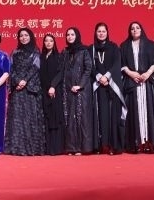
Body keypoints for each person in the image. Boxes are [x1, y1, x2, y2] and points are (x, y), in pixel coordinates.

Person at [120, 21, 154, 153]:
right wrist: (131, 73)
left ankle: (149, 142)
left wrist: (147, 74)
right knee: (134, 112)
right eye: (132, 28)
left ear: (141, 29)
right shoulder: (124, 46)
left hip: (146, 83)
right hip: (132, 82)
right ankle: (136, 142)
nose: (135, 30)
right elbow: (122, 64)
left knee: (148, 111)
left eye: (137, 28)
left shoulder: (150, 45)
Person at [4, 28, 46, 156]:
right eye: (21, 36)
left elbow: (35, 68)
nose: (23, 38)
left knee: (30, 118)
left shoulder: (36, 52)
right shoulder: (14, 52)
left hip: (31, 90)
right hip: (17, 90)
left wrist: (25, 81)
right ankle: (16, 148)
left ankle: (32, 148)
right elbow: (11, 69)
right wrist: (17, 81)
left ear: (30, 36)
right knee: (17, 119)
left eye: (26, 35)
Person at [89, 22, 125, 155]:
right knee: (101, 115)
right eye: (99, 31)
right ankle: (101, 145)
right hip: (98, 86)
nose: (101, 34)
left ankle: (113, 145)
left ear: (107, 32)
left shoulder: (114, 47)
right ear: (95, 33)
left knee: (113, 115)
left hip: (112, 85)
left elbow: (117, 63)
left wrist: (107, 76)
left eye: (103, 31)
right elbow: (90, 66)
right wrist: (99, 76)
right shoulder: (91, 48)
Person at [61, 27, 94, 155]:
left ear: (77, 36)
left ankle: (82, 148)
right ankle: (71, 147)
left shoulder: (84, 51)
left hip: (82, 90)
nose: (70, 37)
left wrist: (80, 85)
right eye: (68, 35)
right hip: (68, 89)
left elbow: (88, 69)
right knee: (70, 118)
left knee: (81, 118)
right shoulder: (65, 52)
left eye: (72, 34)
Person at [40, 33, 64, 155]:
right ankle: (48, 148)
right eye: (46, 41)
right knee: (47, 117)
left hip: (54, 91)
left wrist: (53, 86)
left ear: (54, 43)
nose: (48, 43)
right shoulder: (41, 57)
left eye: (51, 41)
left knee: (55, 117)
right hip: (43, 91)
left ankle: (56, 148)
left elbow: (60, 73)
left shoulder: (58, 56)